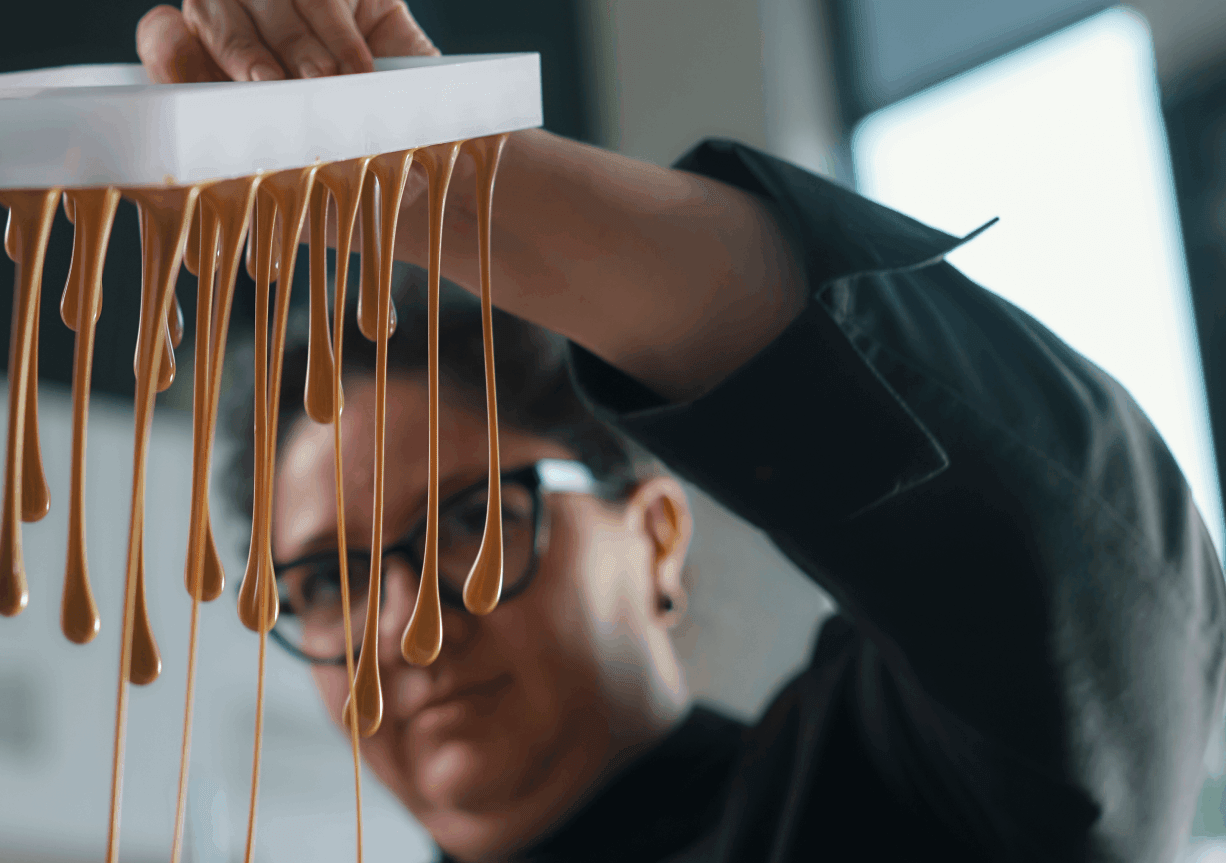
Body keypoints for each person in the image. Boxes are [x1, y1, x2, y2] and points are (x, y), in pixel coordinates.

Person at [137, 2, 1226, 861]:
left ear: (657, 534)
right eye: (325, 581)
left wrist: (462, 191)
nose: (402, 631)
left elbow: (1096, 578)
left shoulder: (886, 802)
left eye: (473, 522)